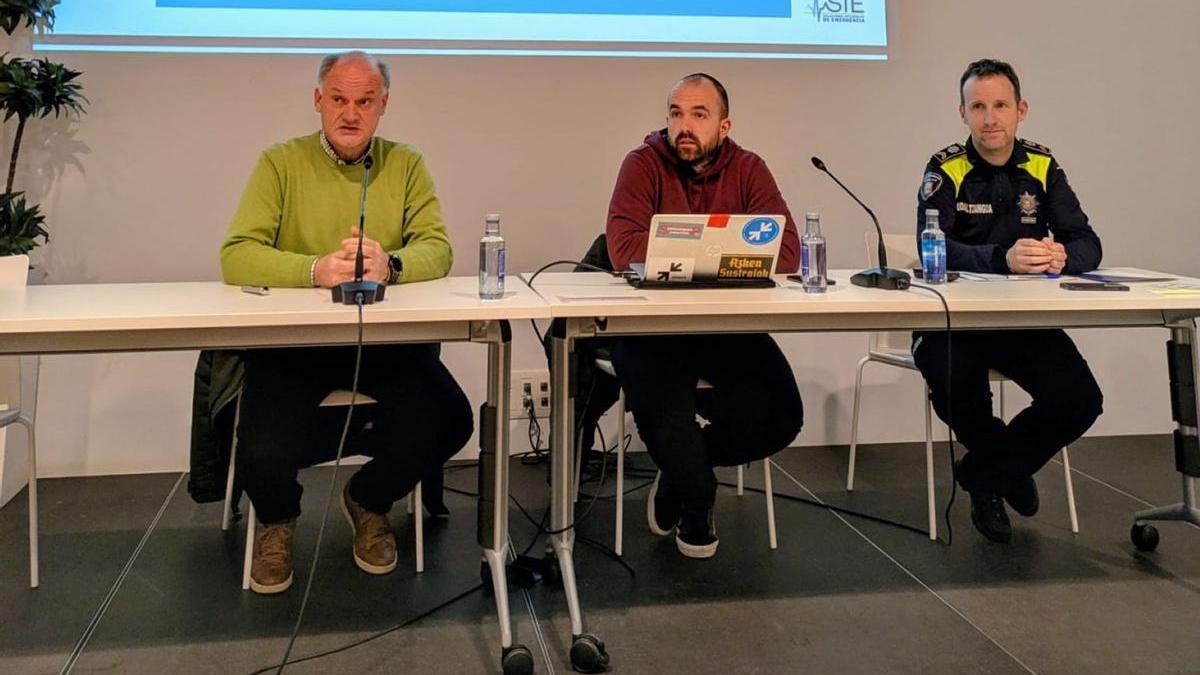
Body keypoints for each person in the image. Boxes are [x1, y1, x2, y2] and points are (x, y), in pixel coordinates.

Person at [220, 51, 473, 593]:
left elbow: (439, 248)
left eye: (364, 101)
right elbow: (237, 254)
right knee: (260, 446)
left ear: (384, 106)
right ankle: (278, 521)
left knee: (451, 419)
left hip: (382, 341)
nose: (350, 113)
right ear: (318, 101)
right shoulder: (280, 162)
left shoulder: (405, 162)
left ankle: (368, 499)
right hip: (295, 343)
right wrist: (313, 270)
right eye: (338, 99)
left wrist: (392, 265)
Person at [606, 73, 803, 559]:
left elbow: (790, 252)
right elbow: (624, 249)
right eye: (676, 114)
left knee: (782, 417)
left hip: (724, 327)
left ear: (724, 124)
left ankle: (680, 473)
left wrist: (684, 250)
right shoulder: (642, 164)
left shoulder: (749, 168)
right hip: (651, 328)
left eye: (699, 115)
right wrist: (722, 250)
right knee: (663, 405)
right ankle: (698, 498)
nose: (684, 126)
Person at [913, 58, 1104, 543]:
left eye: (1000, 106)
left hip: (1021, 320)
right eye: (978, 106)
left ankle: (985, 473)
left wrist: (1063, 255)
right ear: (962, 112)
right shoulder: (945, 166)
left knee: (1080, 399)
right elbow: (932, 247)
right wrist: (1004, 258)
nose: (990, 117)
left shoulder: (1041, 164)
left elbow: (1088, 243)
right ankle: (1004, 472)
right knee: (956, 383)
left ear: (1021, 110)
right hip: (951, 319)